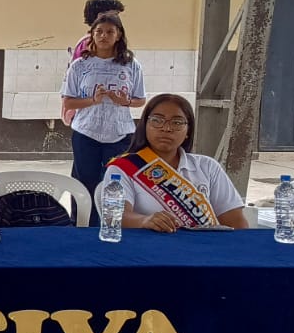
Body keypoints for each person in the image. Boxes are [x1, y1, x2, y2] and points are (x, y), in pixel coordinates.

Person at [100, 94, 250, 231]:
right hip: (148, 248)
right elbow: (113, 216)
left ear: (188, 131)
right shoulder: (122, 168)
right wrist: (144, 221)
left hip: (201, 249)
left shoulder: (208, 167)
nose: (166, 128)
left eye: (177, 122)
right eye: (157, 120)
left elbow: (236, 223)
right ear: (145, 125)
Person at [61, 12, 145, 211]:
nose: (103, 36)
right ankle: (82, 222)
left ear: (119, 35)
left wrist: (125, 101)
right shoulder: (80, 65)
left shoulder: (131, 65)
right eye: (99, 31)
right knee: (84, 183)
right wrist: (93, 100)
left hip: (120, 134)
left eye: (109, 32)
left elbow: (141, 100)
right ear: (92, 34)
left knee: (114, 183)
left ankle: (111, 222)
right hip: (86, 133)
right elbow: (68, 102)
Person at [61, 0, 125, 126]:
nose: (118, 21)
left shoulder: (92, 42)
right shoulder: (90, 44)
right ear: (100, 17)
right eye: (114, 15)